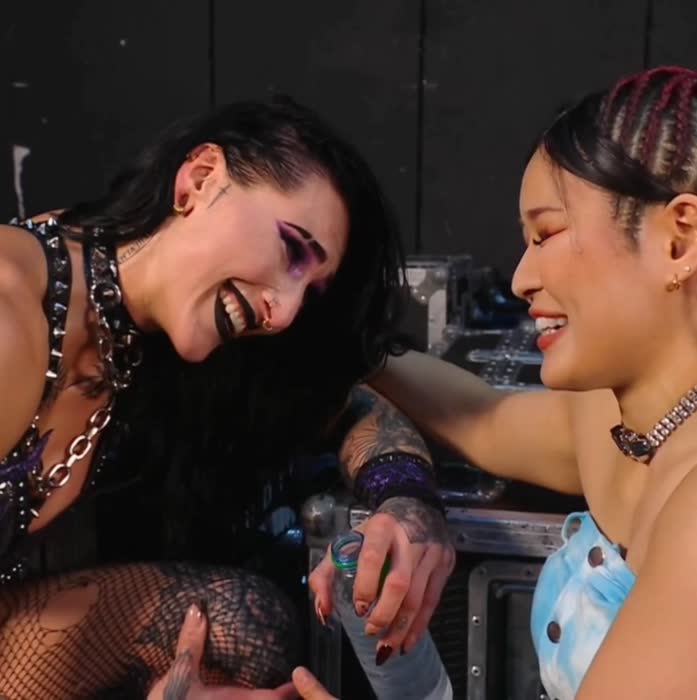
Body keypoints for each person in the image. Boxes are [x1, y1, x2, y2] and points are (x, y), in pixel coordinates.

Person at [0, 96, 454, 698]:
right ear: (200, 179)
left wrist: (408, 505)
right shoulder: (11, 315)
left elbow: (354, 408)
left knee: (244, 624)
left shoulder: (134, 327)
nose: (283, 313)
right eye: (292, 250)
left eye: (308, 294)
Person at [356, 64, 697, 699]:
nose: (520, 279)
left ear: (678, 242)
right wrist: (354, 353)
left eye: (547, 234)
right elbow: (486, 420)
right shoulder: (619, 422)